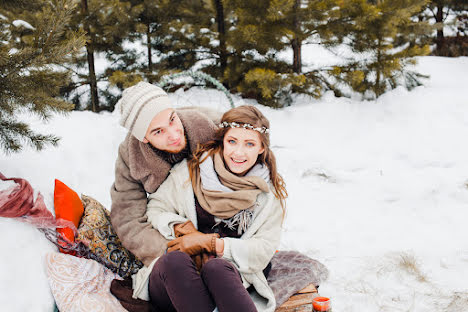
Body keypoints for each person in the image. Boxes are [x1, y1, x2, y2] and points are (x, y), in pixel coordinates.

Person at [132, 105, 288, 312]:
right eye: (232, 141)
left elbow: (263, 250)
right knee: (174, 261)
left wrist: (213, 244)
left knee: (217, 267)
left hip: (225, 284)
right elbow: (155, 208)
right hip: (176, 281)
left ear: (261, 148)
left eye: (249, 144)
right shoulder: (191, 172)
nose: (238, 152)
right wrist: (183, 228)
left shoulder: (267, 195)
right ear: (222, 141)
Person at [110, 81, 218, 268]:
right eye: (158, 131)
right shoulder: (130, 157)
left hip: (221, 215)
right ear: (144, 138)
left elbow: (255, 143)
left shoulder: (210, 125)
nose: (174, 135)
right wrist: (171, 251)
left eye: (172, 120)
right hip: (174, 224)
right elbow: (127, 218)